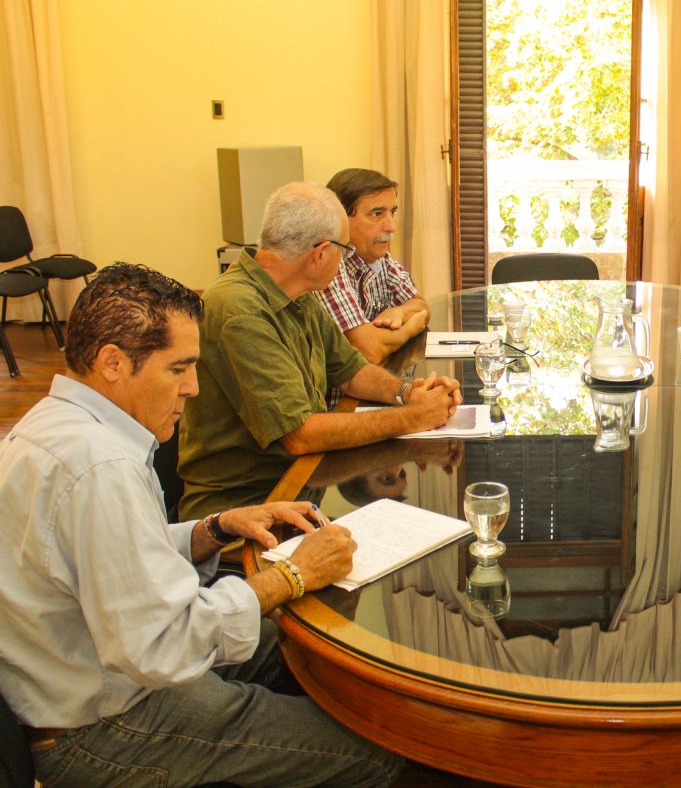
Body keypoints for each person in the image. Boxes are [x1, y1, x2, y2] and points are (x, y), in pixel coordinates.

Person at [0, 263, 405, 787]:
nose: (193, 387)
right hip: (105, 722)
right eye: (178, 368)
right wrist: (292, 575)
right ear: (113, 362)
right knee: (376, 749)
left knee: (305, 649)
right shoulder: (101, 465)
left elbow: (108, 557)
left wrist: (213, 528)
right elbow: (165, 642)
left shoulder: (53, 424)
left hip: (95, 673)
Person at [179, 182, 461, 520]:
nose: (345, 261)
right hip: (247, 507)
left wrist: (407, 393)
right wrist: (413, 417)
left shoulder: (297, 292)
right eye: (344, 250)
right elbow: (300, 434)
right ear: (321, 253)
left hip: (303, 483)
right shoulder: (240, 310)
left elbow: (352, 371)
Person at [320, 168, 430, 368]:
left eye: (392, 213)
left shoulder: (379, 257)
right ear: (340, 219)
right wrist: (412, 326)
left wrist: (400, 312)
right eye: (377, 214)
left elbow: (421, 306)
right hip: (340, 388)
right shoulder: (328, 264)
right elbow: (368, 351)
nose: (391, 227)